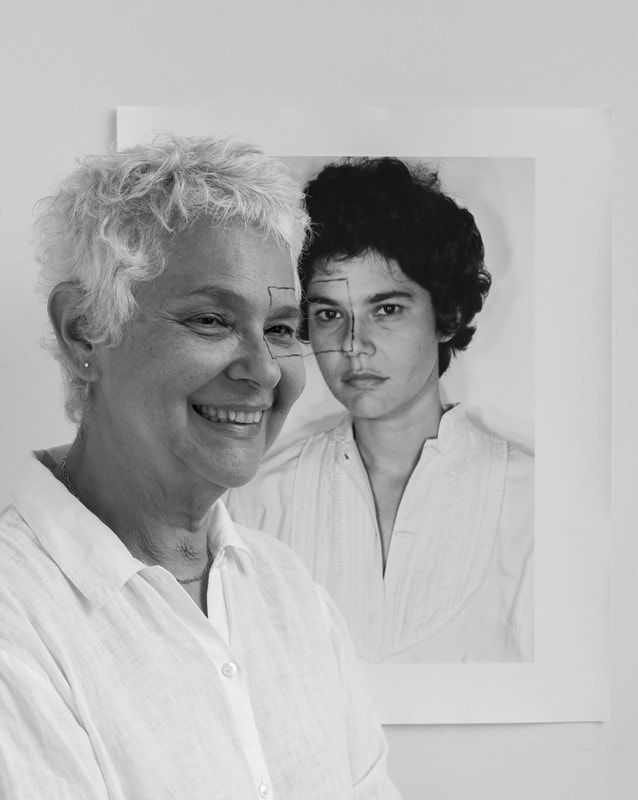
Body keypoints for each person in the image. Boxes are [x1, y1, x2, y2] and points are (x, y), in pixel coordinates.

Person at [0, 138, 400, 799]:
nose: (265, 370)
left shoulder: (287, 592)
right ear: (84, 330)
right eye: (212, 319)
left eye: (279, 328)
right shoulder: (19, 618)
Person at [227, 157, 534, 664]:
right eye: (329, 314)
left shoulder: (534, 502)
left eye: (386, 310)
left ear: (447, 316)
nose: (353, 344)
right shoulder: (257, 501)